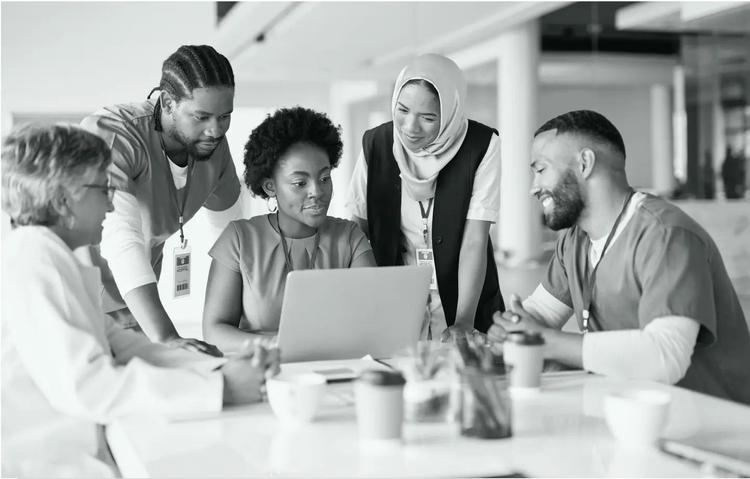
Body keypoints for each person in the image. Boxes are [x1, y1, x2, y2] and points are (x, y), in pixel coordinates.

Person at [1, 124, 279, 477]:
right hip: (46, 463)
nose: (111, 201)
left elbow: (123, 346)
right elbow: (89, 386)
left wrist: (218, 370)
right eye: (103, 188)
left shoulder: (55, 256)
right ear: (61, 200)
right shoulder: (34, 258)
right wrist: (219, 389)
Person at [487, 110, 750, 405]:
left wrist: (542, 340)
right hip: (632, 414)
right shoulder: (574, 241)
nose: (533, 187)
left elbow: (665, 356)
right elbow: (541, 316)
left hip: (712, 425)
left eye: (541, 169)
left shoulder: (666, 235)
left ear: (585, 164)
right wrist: (511, 330)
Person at [79, 44, 243, 355]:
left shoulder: (213, 147)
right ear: (168, 102)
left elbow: (233, 240)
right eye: (202, 116)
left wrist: (240, 321)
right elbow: (119, 239)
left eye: (225, 116)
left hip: (133, 308)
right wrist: (167, 336)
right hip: (78, 299)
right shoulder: (117, 134)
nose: (215, 130)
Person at [347, 53, 504, 342]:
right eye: (403, 110)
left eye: (428, 117)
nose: (410, 127)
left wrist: (464, 322)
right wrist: (366, 298)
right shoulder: (377, 144)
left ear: (450, 112)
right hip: (396, 297)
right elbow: (357, 230)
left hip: (464, 297)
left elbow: (474, 240)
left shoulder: (481, 146)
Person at [203, 107, 376, 351]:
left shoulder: (349, 238)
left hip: (336, 371)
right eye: (300, 183)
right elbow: (214, 332)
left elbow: (374, 318)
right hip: (265, 374)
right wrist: (280, 344)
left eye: (324, 178)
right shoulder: (240, 239)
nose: (317, 191)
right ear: (270, 187)